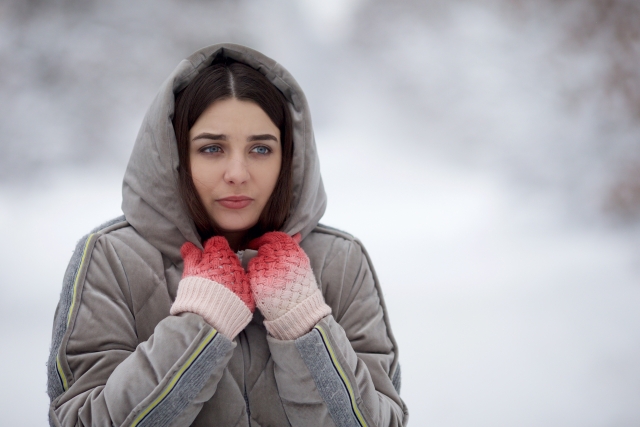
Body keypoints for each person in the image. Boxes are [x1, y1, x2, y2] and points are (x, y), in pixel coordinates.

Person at [47, 43, 408, 427]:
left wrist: (304, 325)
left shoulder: (341, 261)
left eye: (260, 149)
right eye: (213, 148)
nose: (237, 172)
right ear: (175, 155)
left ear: (288, 158)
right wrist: (200, 326)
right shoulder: (112, 258)